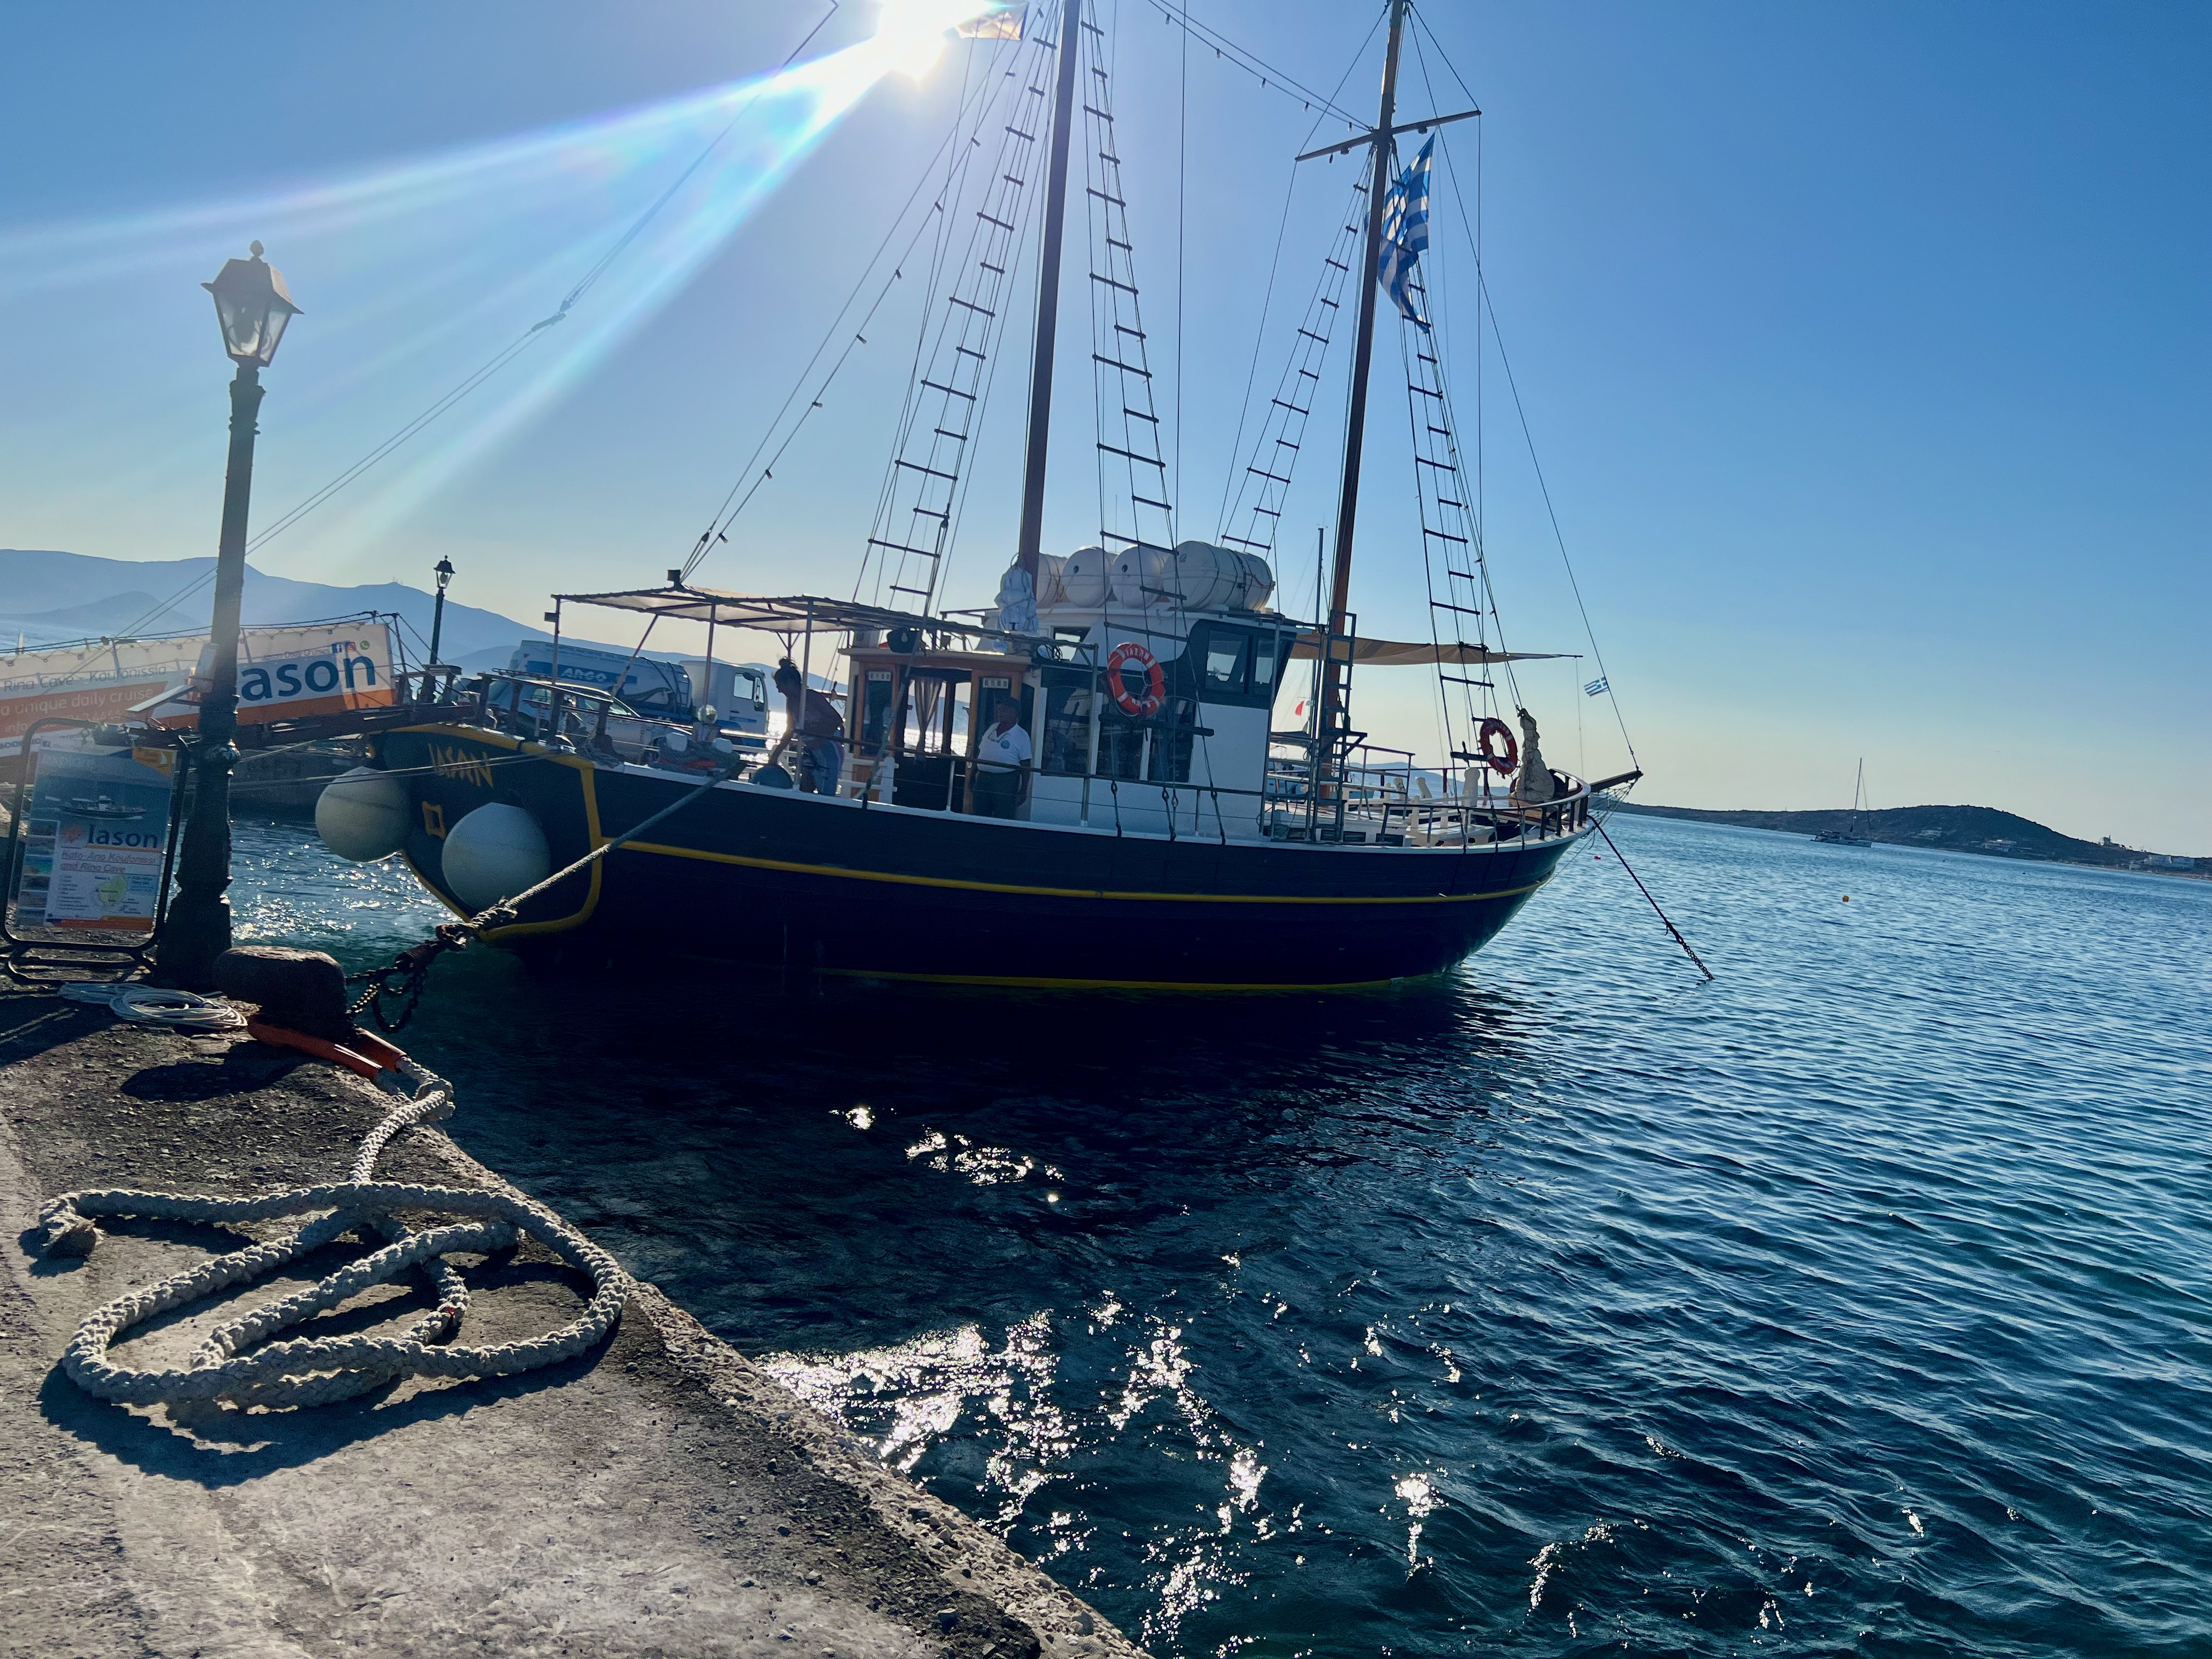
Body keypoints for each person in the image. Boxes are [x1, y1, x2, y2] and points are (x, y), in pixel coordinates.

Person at [773, 660, 845, 794]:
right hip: (810, 751)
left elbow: (836, 720)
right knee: (805, 788)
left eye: (780, 686)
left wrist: (819, 740)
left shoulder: (812, 697)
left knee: (826, 794)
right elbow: (790, 730)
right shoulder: (791, 702)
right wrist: (776, 755)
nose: (779, 690)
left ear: (790, 683)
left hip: (828, 749)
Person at [971, 693, 1031, 818]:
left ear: (1014, 712)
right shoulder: (992, 728)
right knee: (978, 815)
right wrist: (972, 775)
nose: (1000, 713)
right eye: (998, 710)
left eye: (1004, 710)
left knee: (1004, 816)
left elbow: (1026, 764)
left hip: (1005, 781)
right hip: (983, 779)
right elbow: (980, 751)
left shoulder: (1021, 735)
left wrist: (1024, 790)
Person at [1511, 707, 1556, 805]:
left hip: (1541, 793)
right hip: (1537, 792)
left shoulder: (1533, 763)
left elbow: (1531, 742)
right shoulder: (1532, 761)